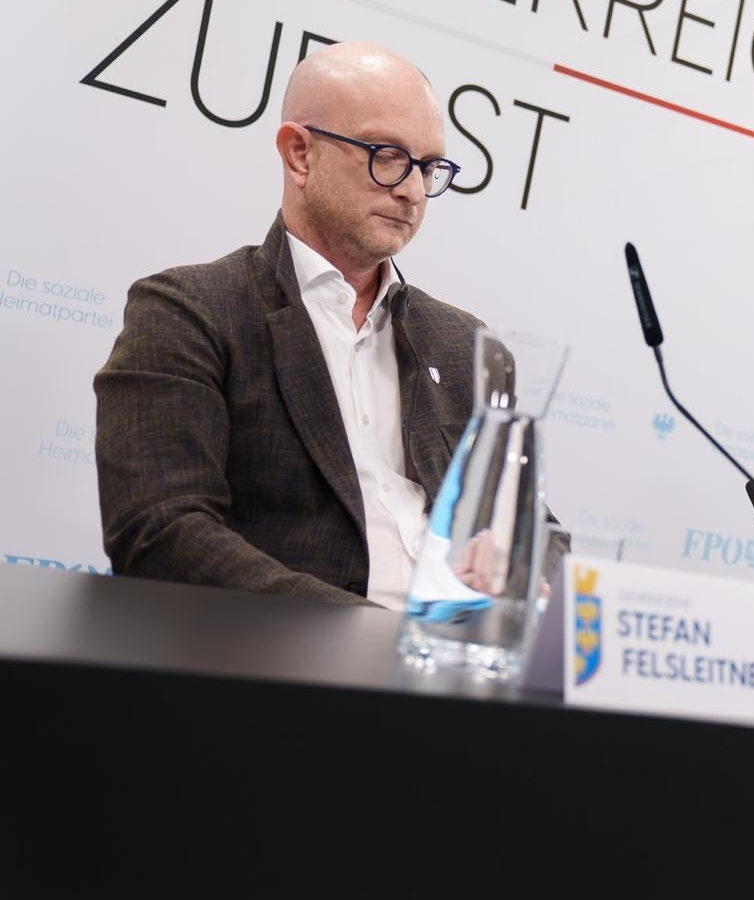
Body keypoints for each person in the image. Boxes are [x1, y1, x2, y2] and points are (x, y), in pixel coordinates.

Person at [95, 42, 481, 609]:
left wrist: (527, 573)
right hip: (276, 671)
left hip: (456, 670)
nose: (413, 191)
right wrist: (371, 633)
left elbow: (533, 526)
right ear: (300, 154)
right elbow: (159, 531)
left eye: (428, 167)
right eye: (387, 156)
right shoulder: (188, 311)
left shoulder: (462, 343)